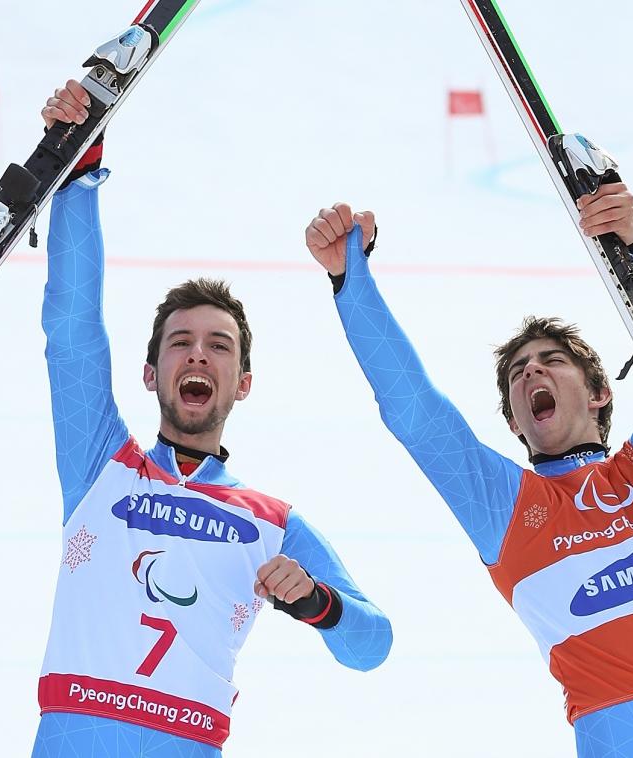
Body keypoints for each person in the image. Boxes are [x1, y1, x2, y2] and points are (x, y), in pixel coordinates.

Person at [304, 191, 633, 756]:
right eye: (518, 372)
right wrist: (352, 282)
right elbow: (416, 414)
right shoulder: (503, 504)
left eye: (552, 361)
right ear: (516, 424)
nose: (532, 372)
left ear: (598, 393)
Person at [32, 81, 392, 758]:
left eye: (219, 346)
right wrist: (77, 175)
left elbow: (373, 644)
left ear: (243, 384)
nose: (198, 353)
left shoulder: (271, 522)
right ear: (151, 374)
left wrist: (316, 601)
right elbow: (72, 328)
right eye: (180, 342)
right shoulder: (100, 464)